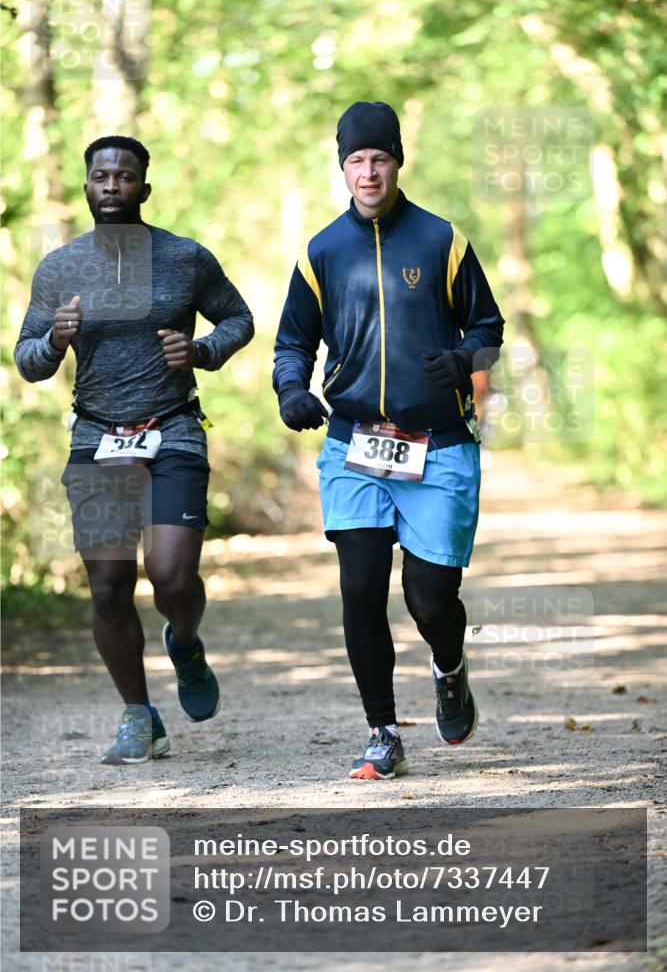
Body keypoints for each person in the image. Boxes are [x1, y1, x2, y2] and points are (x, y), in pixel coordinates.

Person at [273, 102, 504, 779]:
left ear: (397, 161)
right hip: (354, 445)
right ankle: (380, 730)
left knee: (430, 598)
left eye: (378, 159)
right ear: (342, 167)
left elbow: (486, 329)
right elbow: (293, 340)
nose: (368, 172)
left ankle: (449, 666)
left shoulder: (441, 240)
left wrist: (462, 361)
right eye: (356, 161)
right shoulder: (321, 250)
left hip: (438, 444)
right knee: (360, 587)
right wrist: (291, 388)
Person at [15, 136, 254, 764]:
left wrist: (201, 351)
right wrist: (55, 342)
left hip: (172, 428)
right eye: (101, 176)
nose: (112, 185)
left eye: (125, 176)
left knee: (172, 576)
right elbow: (28, 360)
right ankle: (138, 715)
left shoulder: (184, 258)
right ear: (87, 187)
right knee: (108, 587)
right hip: (96, 436)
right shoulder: (60, 268)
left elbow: (238, 318)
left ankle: (186, 641)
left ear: (145, 188)